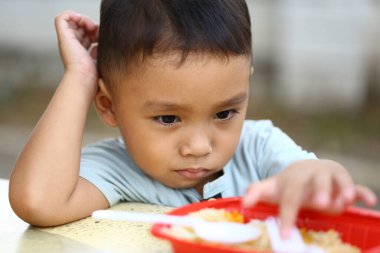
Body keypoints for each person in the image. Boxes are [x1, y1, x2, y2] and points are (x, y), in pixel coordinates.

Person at [9, 0, 376, 238]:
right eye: (168, 118)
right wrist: (80, 77)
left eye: (224, 113)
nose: (199, 147)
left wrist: (317, 179)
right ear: (107, 105)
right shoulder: (119, 168)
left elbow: (319, 180)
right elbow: (38, 201)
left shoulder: (259, 148)